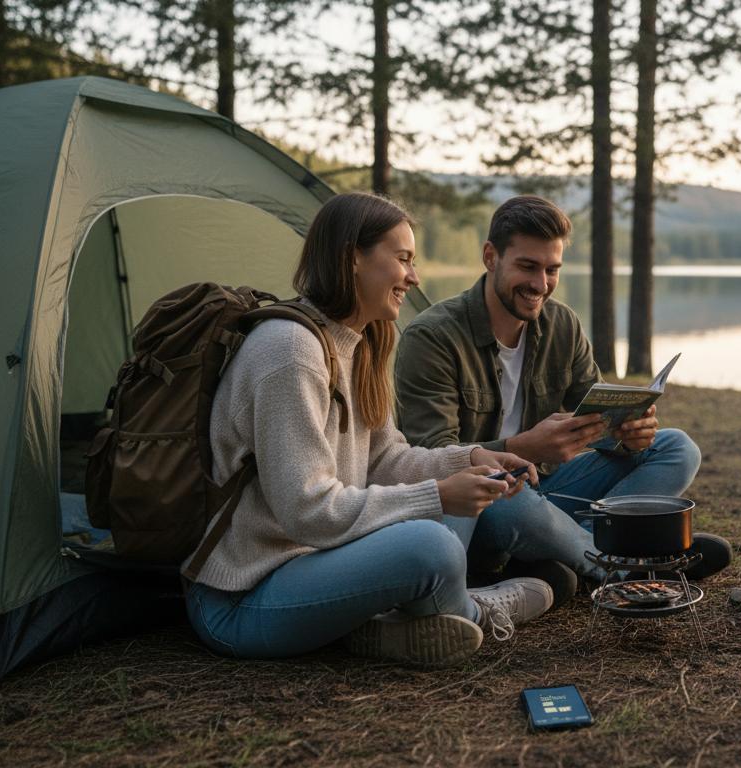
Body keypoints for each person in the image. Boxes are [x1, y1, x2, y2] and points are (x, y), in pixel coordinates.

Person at [182, 192, 553, 668]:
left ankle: (386, 627)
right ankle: (475, 610)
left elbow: (385, 460)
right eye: (402, 259)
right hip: (245, 598)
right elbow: (308, 511)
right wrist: (438, 495)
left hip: (316, 562)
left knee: (454, 507)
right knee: (432, 542)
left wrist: (469, 458)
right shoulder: (290, 350)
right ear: (353, 257)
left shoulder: (359, 343)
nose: (413, 277)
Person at [395, 195, 731, 602]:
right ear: (490, 257)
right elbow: (430, 456)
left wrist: (628, 432)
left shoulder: (561, 324)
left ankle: (558, 554)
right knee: (506, 494)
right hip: (481, 509)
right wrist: (520, 449)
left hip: (551, 492)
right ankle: (619, 566)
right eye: (527, 266)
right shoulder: (433, 337)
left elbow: (596, 421)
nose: (540, 285)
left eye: (552, 269)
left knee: (677, 447)